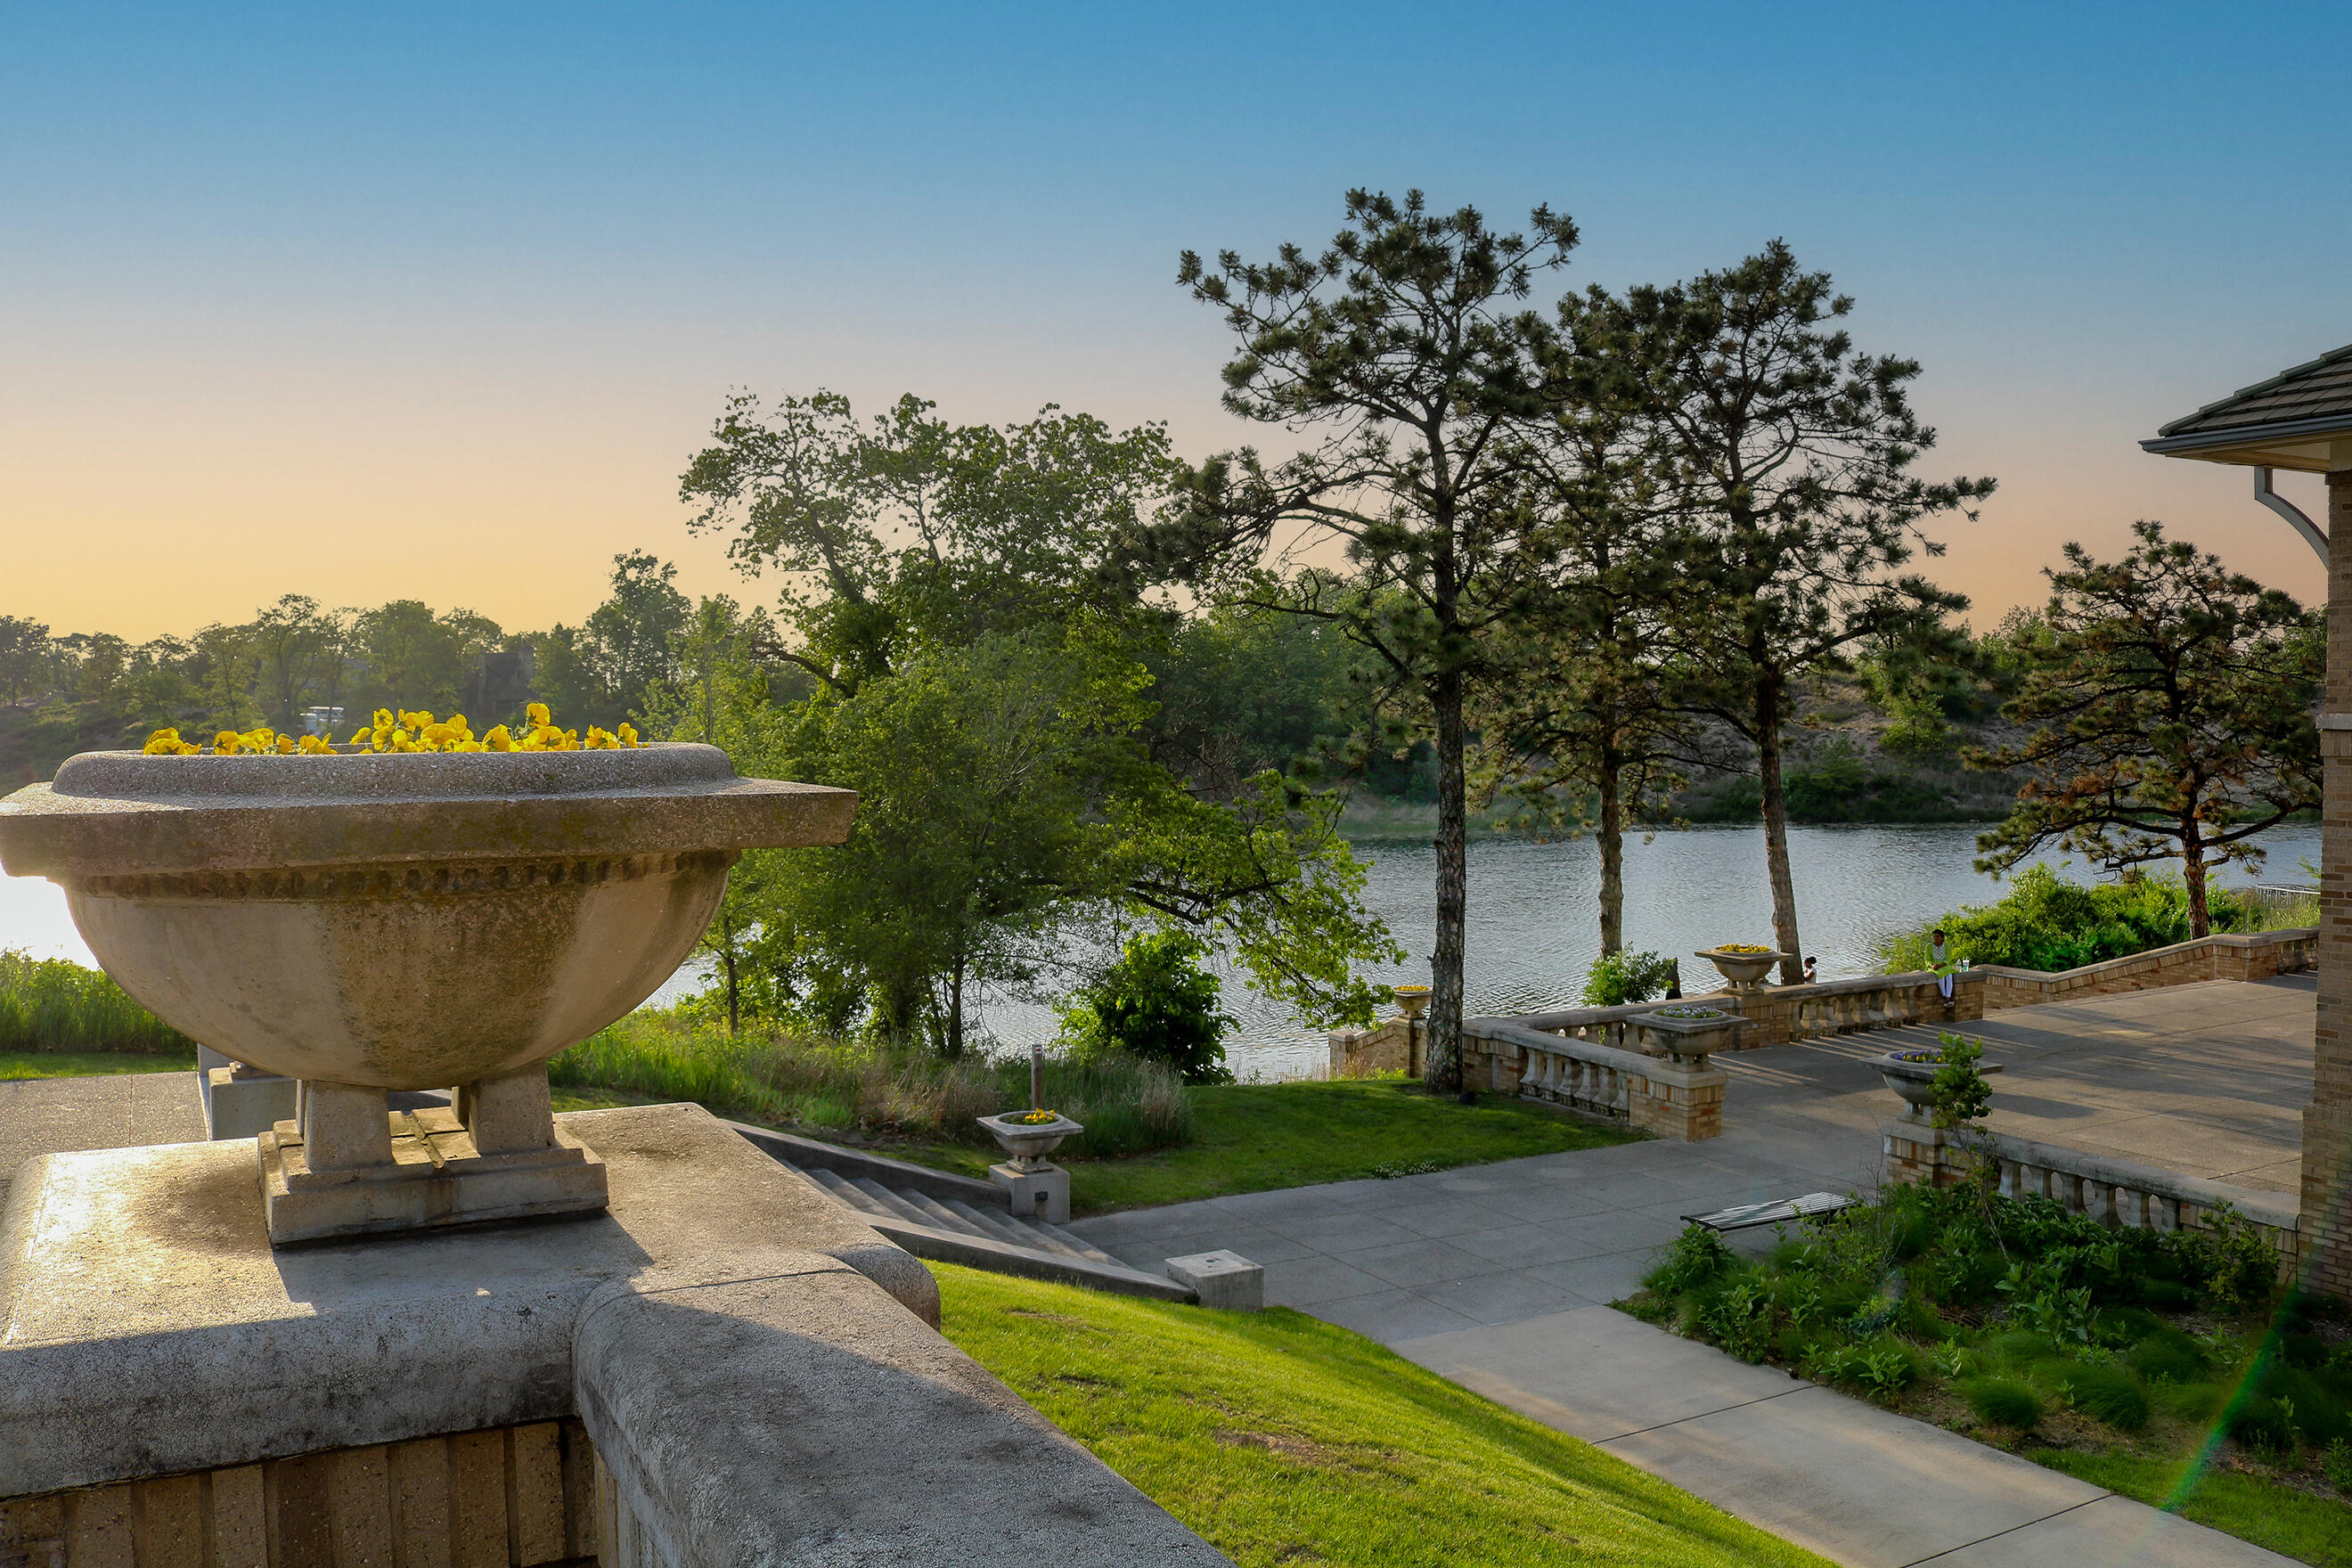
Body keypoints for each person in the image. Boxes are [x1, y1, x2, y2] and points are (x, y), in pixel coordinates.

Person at [1930, 928, 1954, 1000]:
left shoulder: (1947, 946)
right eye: (1934, 936)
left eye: (1937, 936)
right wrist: (1932, 966)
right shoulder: (1929, 946)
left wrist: (1941, 965)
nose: (1935, 938)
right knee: (1940, 975)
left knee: (1949, 976)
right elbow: (1927, 959)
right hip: (1934, 966)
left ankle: (1948, 996)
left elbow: (1948, 958)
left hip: (1944, 965)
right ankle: (1944, 995)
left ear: (1942, 938)